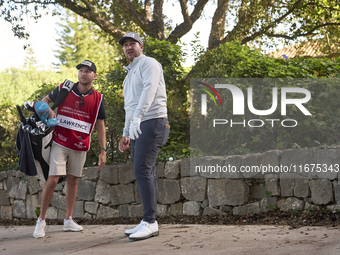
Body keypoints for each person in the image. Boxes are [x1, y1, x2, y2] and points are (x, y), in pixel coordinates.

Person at [33, 60, 107, 238]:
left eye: (88, 71)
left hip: (81, 145)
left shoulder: (98, 98)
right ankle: (41, 221)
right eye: (81, 70)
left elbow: (100, 123)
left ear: (94, 76)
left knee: (73, 180)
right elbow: (44, 102)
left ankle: (68, 220)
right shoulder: (65, 88)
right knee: (52, 179)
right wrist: (49, 113)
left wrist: (103, 150)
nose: (83, 74)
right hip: (60, 141)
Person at [118, 32, 170, 241]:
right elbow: (129, 105)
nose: (129, 47)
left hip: (153, 120)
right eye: (126, 45)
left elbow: (149, 89)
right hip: (139, 124)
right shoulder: (129, 74)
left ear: (141, 46)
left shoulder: (149, 63)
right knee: (143, 170)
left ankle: (150, 222)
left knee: (142, 168)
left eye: (133, 44)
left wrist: (139, 117)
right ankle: (147, 220)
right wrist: (125, 133)